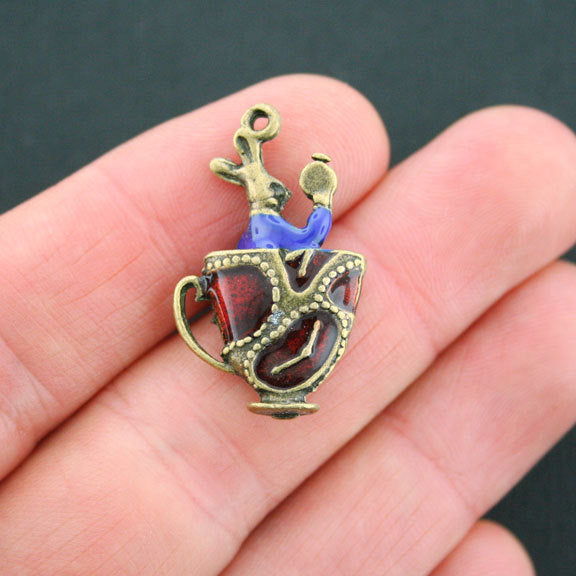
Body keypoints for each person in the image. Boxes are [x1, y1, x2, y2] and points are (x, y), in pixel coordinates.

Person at [0, 74, 574, 575]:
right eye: (271, 190)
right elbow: (312, 239)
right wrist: (321, 200)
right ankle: (270, 376)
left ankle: (265, 372)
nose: (273, 193)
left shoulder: (259, 234)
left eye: (273, 190)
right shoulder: (263, 231)